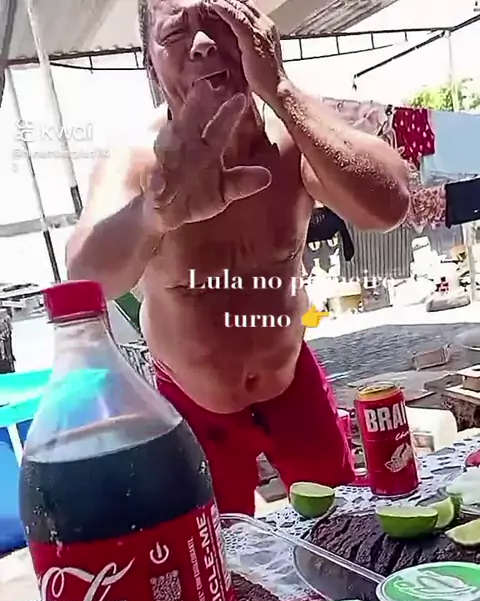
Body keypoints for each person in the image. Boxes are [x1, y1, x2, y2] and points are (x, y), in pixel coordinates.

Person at [66, 0, 410, 515]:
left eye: (221, 22)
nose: (203, 44)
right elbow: (84, 280)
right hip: (192, 397)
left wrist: (281, 89)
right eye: (176, 34)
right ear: (149, 62)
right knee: (215, 546)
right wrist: (152, 213)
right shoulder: (140, 158)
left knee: (345, 520)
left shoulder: (295, 132)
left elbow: (390, 205)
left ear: (258, 34)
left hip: (291, 378)